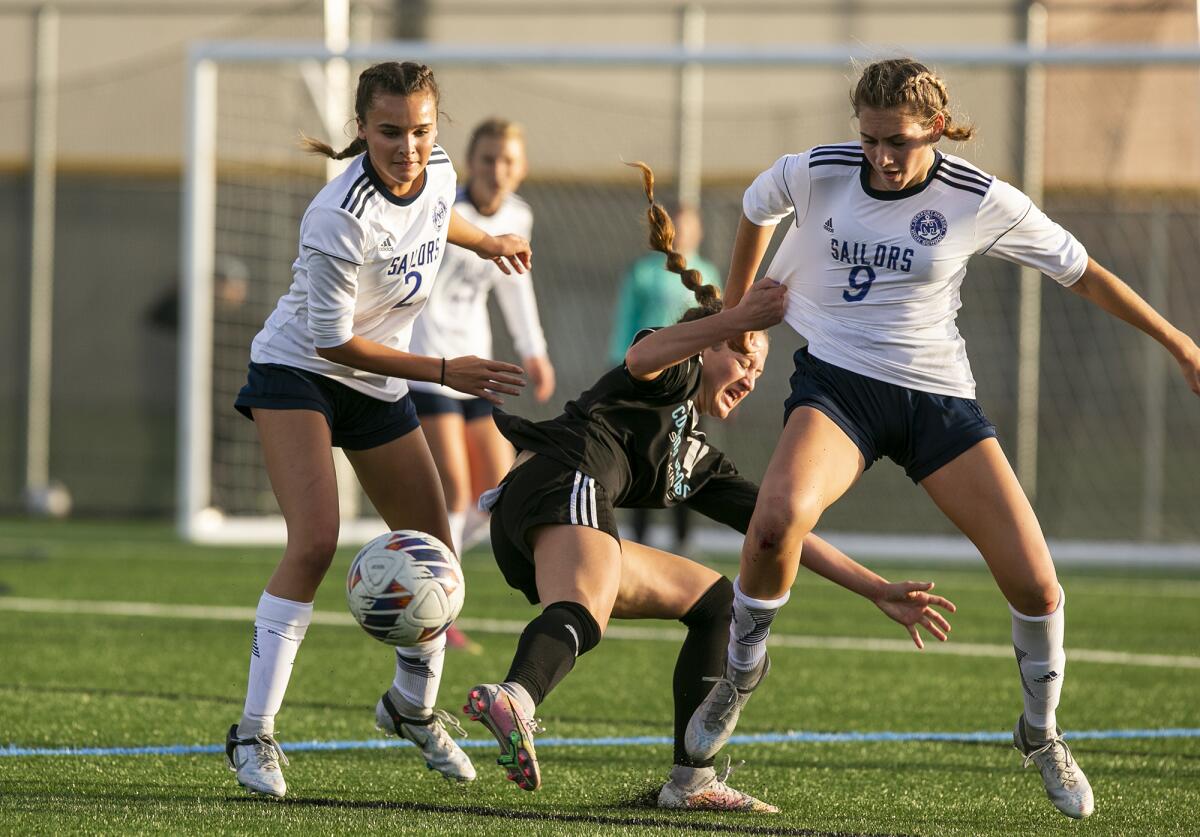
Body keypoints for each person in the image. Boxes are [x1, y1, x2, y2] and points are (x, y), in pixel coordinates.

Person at [685, 58, 1200, 821]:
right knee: (774, 521)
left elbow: (1083, 272)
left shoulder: (979, 198)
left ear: (934, 126)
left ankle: (1039, 731)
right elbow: (759, 205)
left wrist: (1181, 343)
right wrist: (734, 318)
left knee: (1037, 583)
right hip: (839, 386)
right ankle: (740, 672)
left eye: (897, 141)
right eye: (869, 139)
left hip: (937, 400)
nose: (881, 157)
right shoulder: (819, 170)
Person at [462, 163, 957, 812]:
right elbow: (642, 356)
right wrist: (732, 320)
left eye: (760, 367)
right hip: (560, 480)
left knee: (715, 601)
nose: (750, 373)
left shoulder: (693, 457)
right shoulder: (675, 370)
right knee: (585, 608)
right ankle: (516, 700)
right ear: (714, 339)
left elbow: (783, 531)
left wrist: (876, 588)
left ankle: (690, 780)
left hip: (550, 510)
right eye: (745, 354)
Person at [223, 61, 533, 799]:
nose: (408, 146)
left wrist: (484, 242)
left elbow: (436, 210)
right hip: (300, 373)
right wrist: (443, 369)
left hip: (376, 384)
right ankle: (252, 731)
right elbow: (334, 344)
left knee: (437, 554)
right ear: (361, 128)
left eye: (421, 130)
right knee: (315, 541)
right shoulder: (338, 213)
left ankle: (410, 709)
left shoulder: (442, 170)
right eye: (390, 131)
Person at [409, 118, 556, 560]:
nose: (497, 169)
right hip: (427, 362)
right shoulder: (441, 210)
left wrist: (534, 351)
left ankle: (428, 578)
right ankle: (433, 609)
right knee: (453, 488)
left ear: (522, 167)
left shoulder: (519, 216)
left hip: (476, 365)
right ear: (469, 163)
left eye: (507, 160)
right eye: (487, 159)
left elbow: (515, 284)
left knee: (497, 490)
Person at [606, 203, 721, 554]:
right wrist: (622, 371)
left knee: (686, 457)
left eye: (690, 226)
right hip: (651, 381)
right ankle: (638, 539)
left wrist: (719, 381)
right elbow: (626, 324)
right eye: (678, 227)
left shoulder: (707, 271)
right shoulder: (644, 273)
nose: (685, 233)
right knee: (646, 457)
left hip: (692, 383)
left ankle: (683, 539)